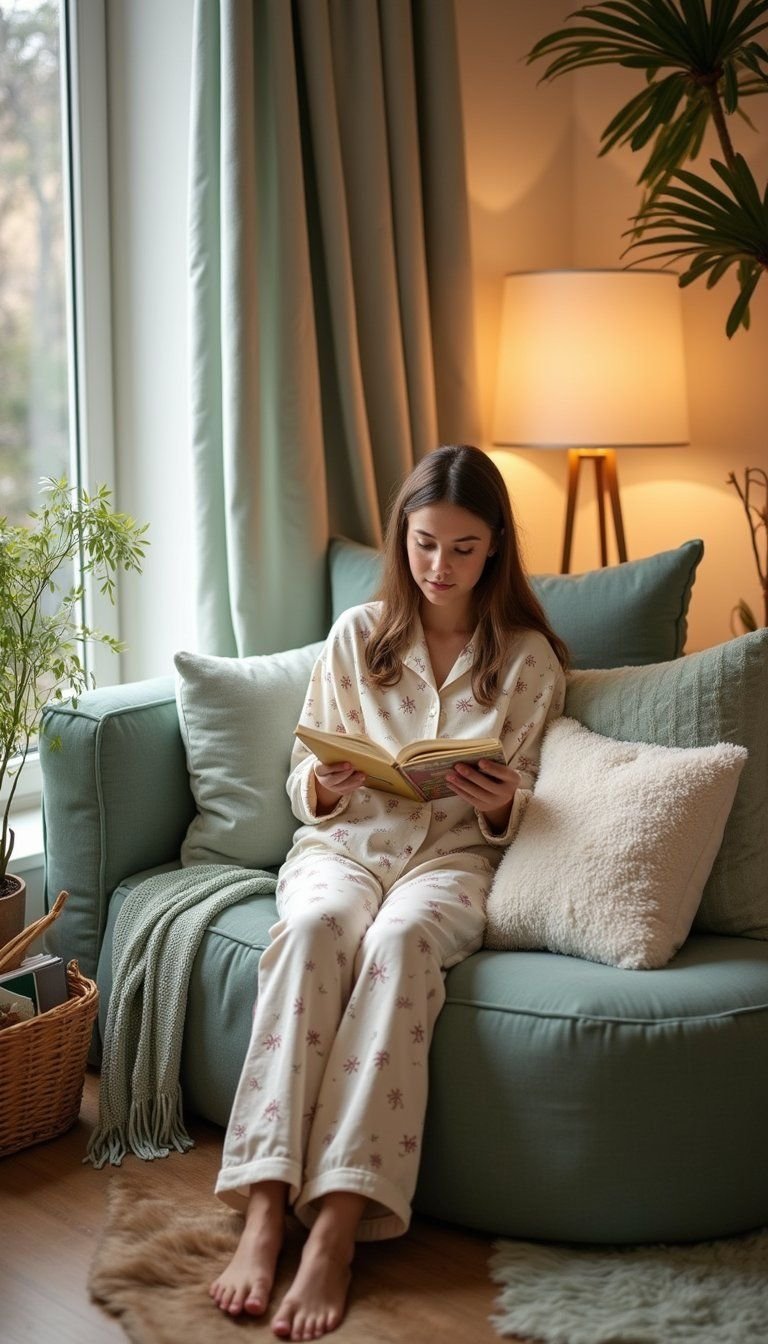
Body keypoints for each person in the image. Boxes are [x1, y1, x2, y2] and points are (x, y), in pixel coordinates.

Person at [209, 443, 568, 1339]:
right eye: (424, 544)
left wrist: (501, 802)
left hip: (452, 864)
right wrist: (324, 784)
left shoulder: (528, 661)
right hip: (345, 846)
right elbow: (305, 768)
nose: (440, 566)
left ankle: (336, 1227)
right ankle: (264, 1209)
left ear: (495, 546)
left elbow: (527, 798)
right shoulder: (357, 636)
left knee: (400, 944)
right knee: (316, 927)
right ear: (401, 538)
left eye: (463, 548)